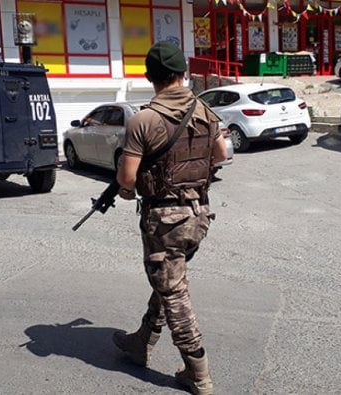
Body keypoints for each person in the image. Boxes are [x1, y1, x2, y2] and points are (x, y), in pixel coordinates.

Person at [113, 41, 228, 395]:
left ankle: (198, 373)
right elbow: (221, 155)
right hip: (199, 214)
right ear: (183, 74)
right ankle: (141, 343)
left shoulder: (144, 119)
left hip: (164, 220)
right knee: (169, 280)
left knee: (175, 293)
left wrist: (126, 187)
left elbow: (128, 179)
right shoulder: (206, 110)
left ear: (151, 77)